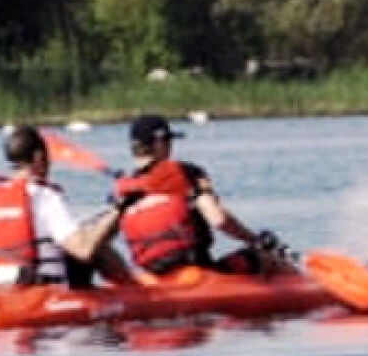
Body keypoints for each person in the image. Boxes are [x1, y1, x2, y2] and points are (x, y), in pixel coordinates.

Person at [112, 114, 291, 276]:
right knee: (264, 257)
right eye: (169, 142)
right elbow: (218, 219)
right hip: (198, 269)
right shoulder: (186, 173)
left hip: (155, 272)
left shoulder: (124, 191)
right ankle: (312, 292)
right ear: (160, 142)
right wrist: (255, 240)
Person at [0, 124, 134, 288]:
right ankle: (134, 292)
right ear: (38, 158)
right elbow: (83, 249)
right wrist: (120, 209)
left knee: (83, 232)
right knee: (95, 244)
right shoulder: (44, 196)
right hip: (44, 293)